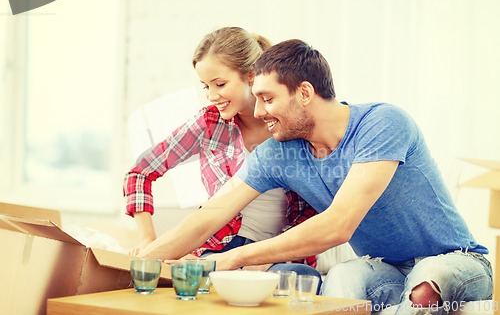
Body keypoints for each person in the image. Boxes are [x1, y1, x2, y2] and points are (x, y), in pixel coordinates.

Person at [139, 38, 493, 314]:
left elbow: (337, 225)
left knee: (429, 279)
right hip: (385, 269)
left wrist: (234, 258)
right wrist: (140, 263)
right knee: (342, 276)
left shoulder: (382, 124)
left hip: (457, 260)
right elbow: (213, 214)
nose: (258, 111)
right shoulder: (279, 151)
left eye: (267, 98)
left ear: (304, 92)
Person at [123, 27, 320, 278]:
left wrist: (266, 258)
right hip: (218, 250)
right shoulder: (209, 124)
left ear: (251, 76)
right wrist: (148, 238)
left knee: (302, 278)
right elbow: (140, 173)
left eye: (220, 84)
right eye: (206, 86)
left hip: (278, 256)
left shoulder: (293, 125)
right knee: (182, 281)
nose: (212, 95)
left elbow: (312, 210)